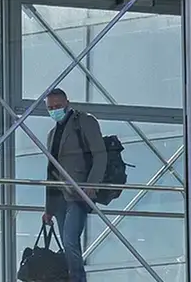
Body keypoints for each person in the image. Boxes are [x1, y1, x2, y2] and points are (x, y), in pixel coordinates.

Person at [41, 89, 108, 282]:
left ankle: (77, 279)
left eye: (57, 106)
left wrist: (92, 184)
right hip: (60, 195)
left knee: (70, 239)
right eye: (50, 108)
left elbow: (100, 154)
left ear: (67, 103)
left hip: (79, 193)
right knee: (66, 240)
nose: (54, 111)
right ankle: (72, 277)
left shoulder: (84, 122)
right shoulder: (52, 134)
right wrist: (49, 209)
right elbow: (51, 171)